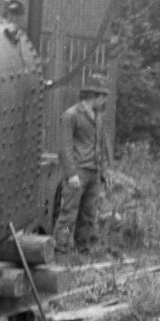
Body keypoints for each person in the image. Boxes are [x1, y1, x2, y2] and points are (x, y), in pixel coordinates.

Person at [54, 74, 111, 254]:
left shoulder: (98, 115)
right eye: (102, 96)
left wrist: (103, 171)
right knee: (69, 214)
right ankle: (60, 250)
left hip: (93, 172)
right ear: (93, 95)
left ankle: (82, 249)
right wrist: (71, 174)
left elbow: (99, 145)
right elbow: (65, 148)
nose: (104, 100)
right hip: (78, 171)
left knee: (88, 214)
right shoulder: (71, 115)